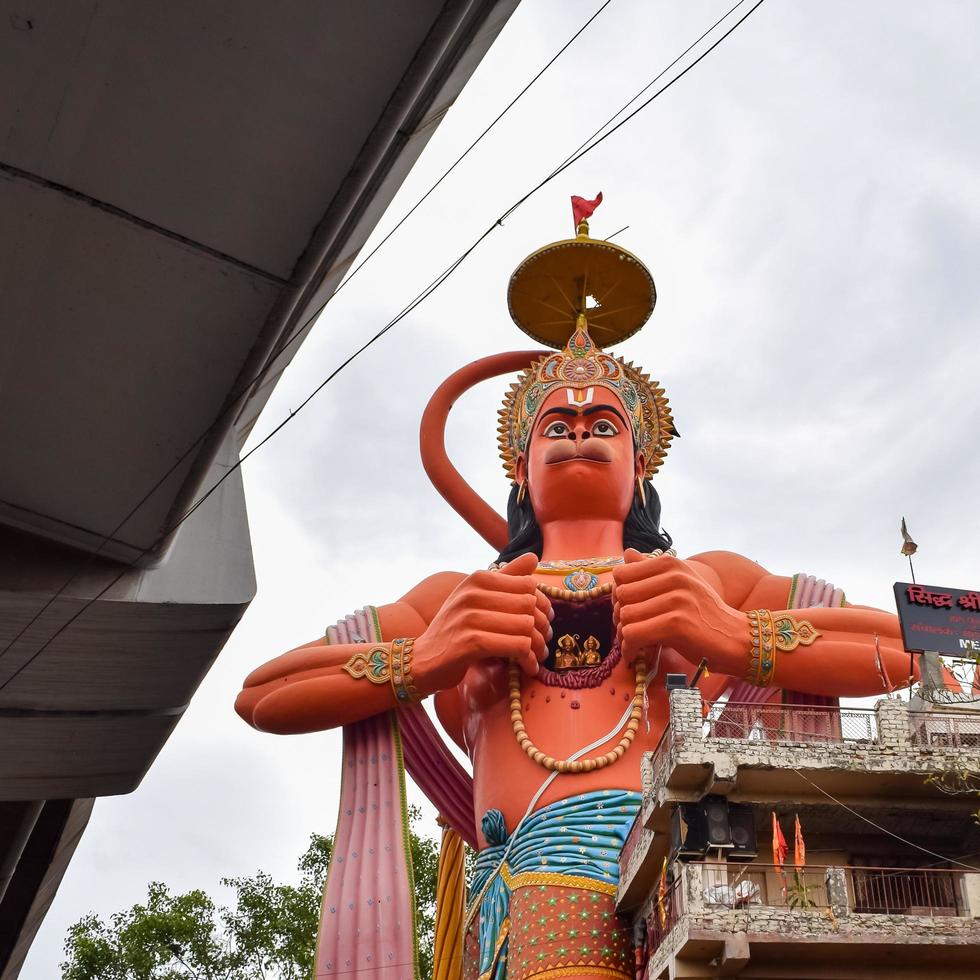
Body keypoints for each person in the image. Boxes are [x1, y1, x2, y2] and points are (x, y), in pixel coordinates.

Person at [235, 212, 911, 980]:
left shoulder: (702, 581)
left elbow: (903, 652)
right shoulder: (463, 599)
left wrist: (732, 635)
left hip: (680, 869)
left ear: (641, 465)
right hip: (527, 895)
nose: (580, 430)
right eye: (557, 422)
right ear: (519, 469)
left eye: (603, 422)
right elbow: (262, 695)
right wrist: (425, 658)